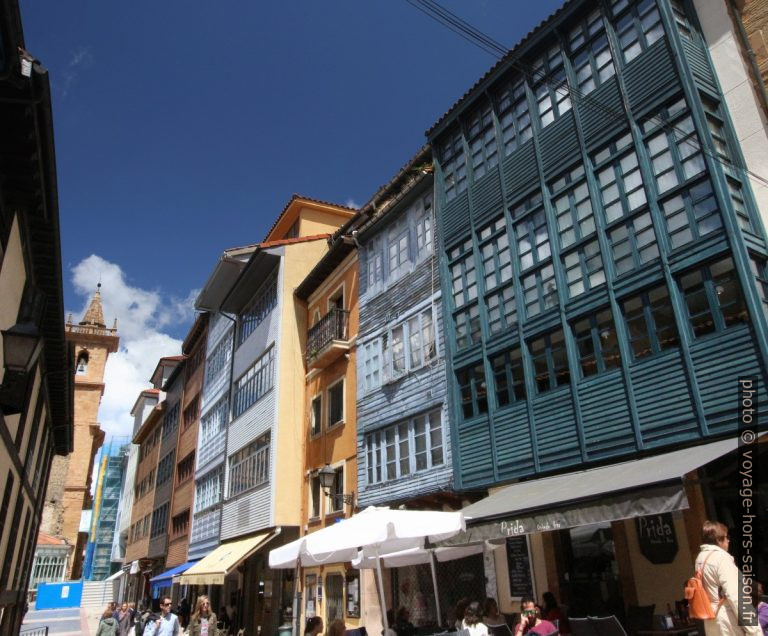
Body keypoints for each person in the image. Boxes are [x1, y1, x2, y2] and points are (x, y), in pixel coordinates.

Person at [695, 520, 761, 636]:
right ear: (718, 540)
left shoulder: (701, 558)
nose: (729, 540)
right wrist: (755, 631)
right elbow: (736, 596)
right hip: (727, 620)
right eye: (726, 537)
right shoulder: (721, 558)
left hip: (711, 619)